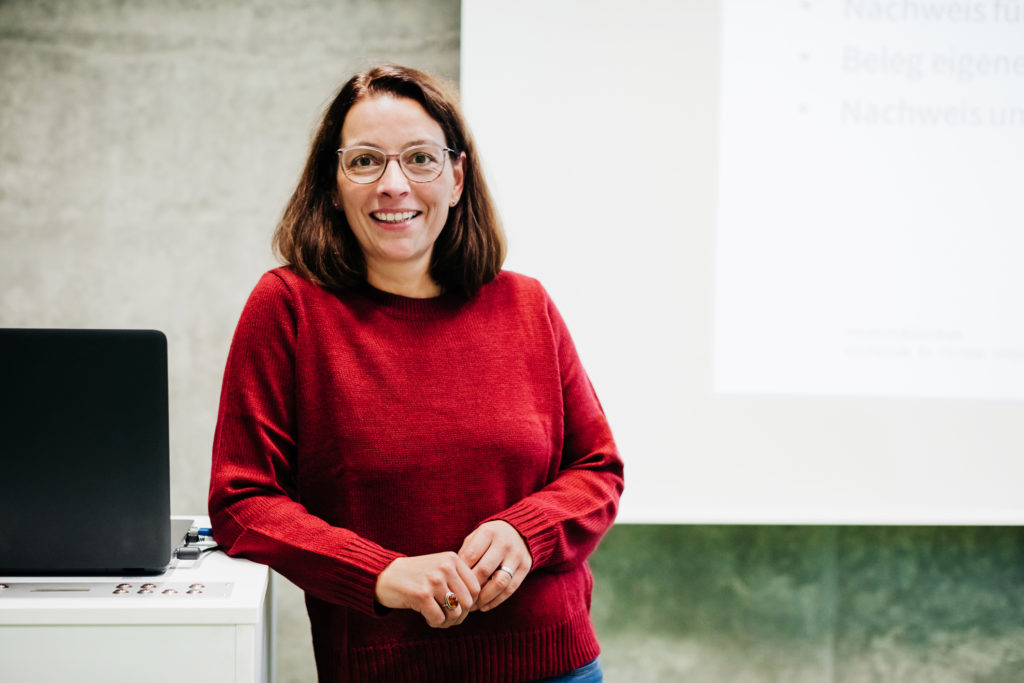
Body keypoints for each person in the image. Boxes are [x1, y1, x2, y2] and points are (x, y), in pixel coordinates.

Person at [207, 63, 623, 683]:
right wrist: (376, 571)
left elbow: (598, 471)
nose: (394, 184)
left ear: (456, 177)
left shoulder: (526, 305)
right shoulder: (288, 308)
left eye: (421, 159)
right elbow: (243, 501)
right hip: (385, 669)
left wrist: (525, 532)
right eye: (365, 161)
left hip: (555, 665)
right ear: (333, 182)